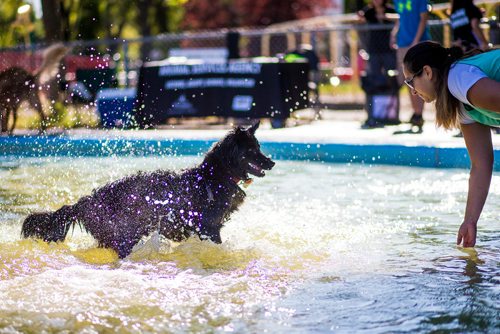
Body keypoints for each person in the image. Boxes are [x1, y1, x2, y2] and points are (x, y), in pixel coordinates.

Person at [402, 41, 500, 247]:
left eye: (410, 82)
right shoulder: (460, 103)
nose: (412, 91)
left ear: (427, 72)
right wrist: (470, 221)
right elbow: (481, 164)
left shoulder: (459, 79)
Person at [391, 0, 431, 132]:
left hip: (417, 44)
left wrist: (415, 40)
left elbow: (423, 19)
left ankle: (419, 114)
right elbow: (401, 19)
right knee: (409, 82)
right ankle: (416, 113)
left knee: (420, 80)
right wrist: (394, 34)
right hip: (403, 44)